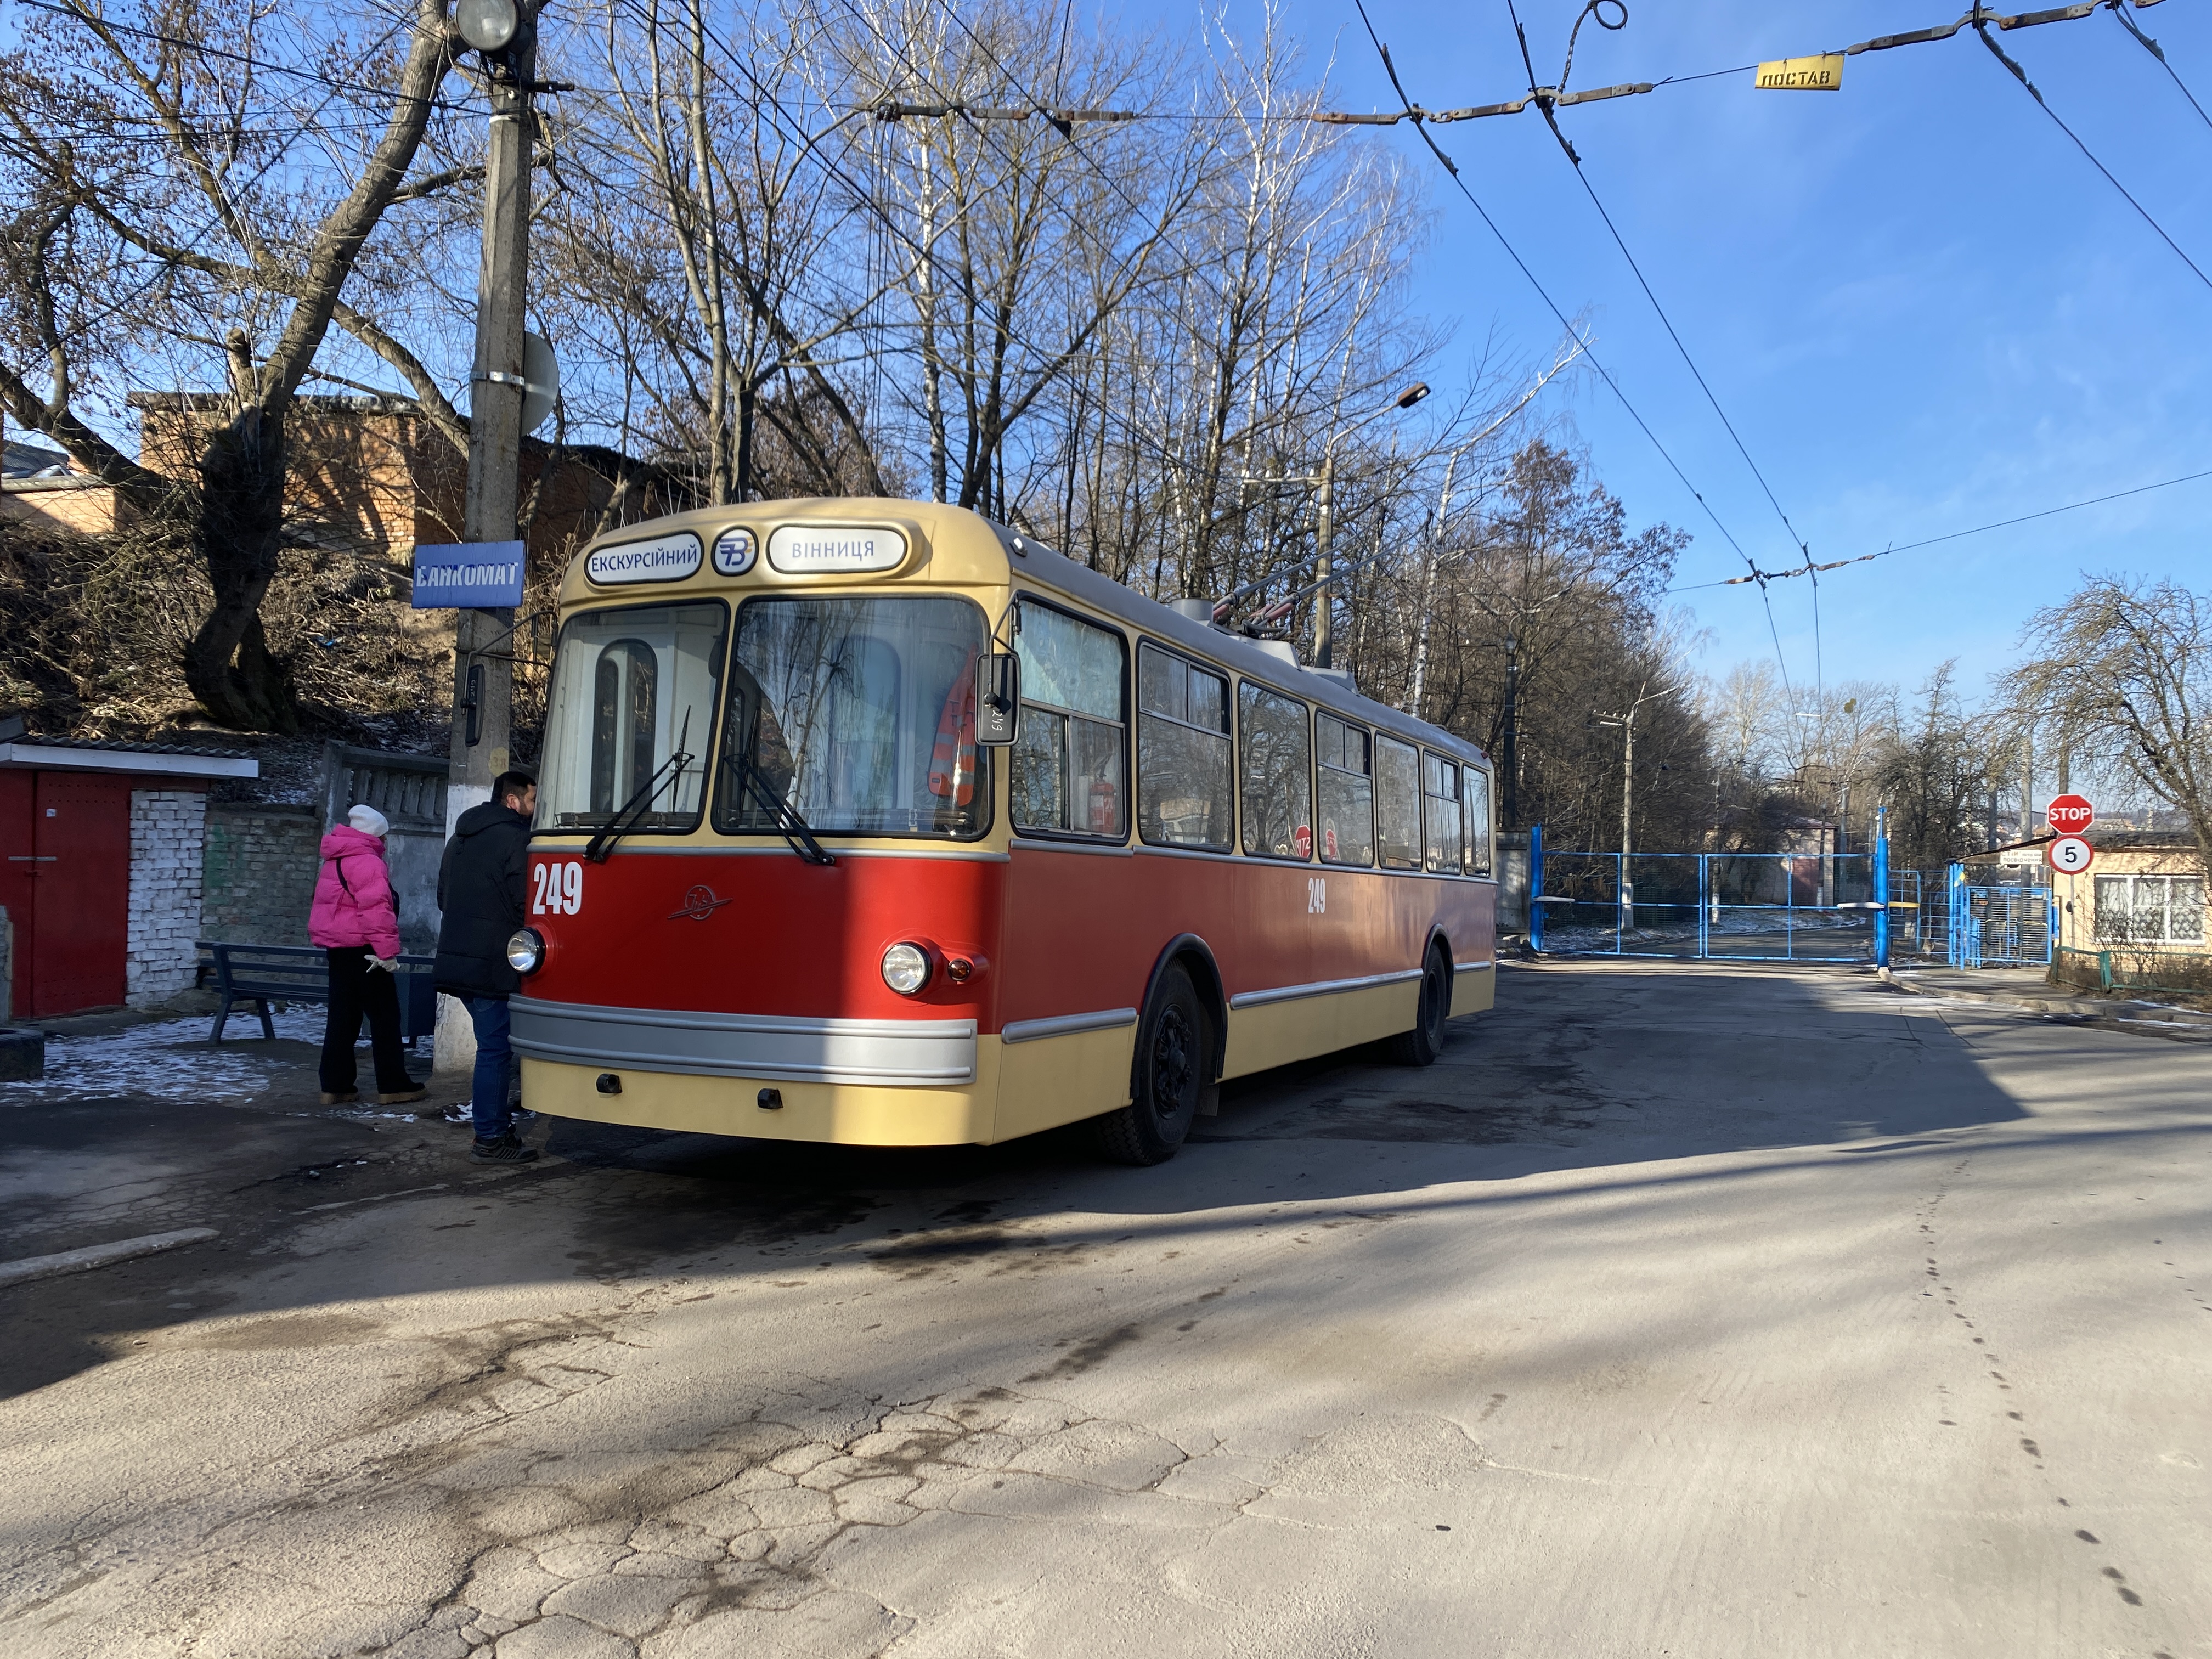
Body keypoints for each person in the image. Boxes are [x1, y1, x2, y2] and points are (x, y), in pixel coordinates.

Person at [433, 768, 540, 1163]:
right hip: (494, 962)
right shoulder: (517, 839)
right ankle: (491, 1137)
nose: (535, 808)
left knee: (491, 1046)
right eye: (532, 800)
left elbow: (442, 897)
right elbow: (526, 904)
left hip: (457, 959)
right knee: (495, 1050)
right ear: (513, 801)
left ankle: (494, 1128)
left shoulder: (459, 838)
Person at [309, 804, 425, 1108]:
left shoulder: (335, 858)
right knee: (385, 1019)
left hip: (339, 950)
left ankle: (335, 1086)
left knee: (342, 1018)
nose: (386, 841)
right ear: (375, 835)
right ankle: (394, 1085)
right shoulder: (368, 862)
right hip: (366, 952)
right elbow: (376, 912)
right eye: (384, 835)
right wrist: (387, 953)